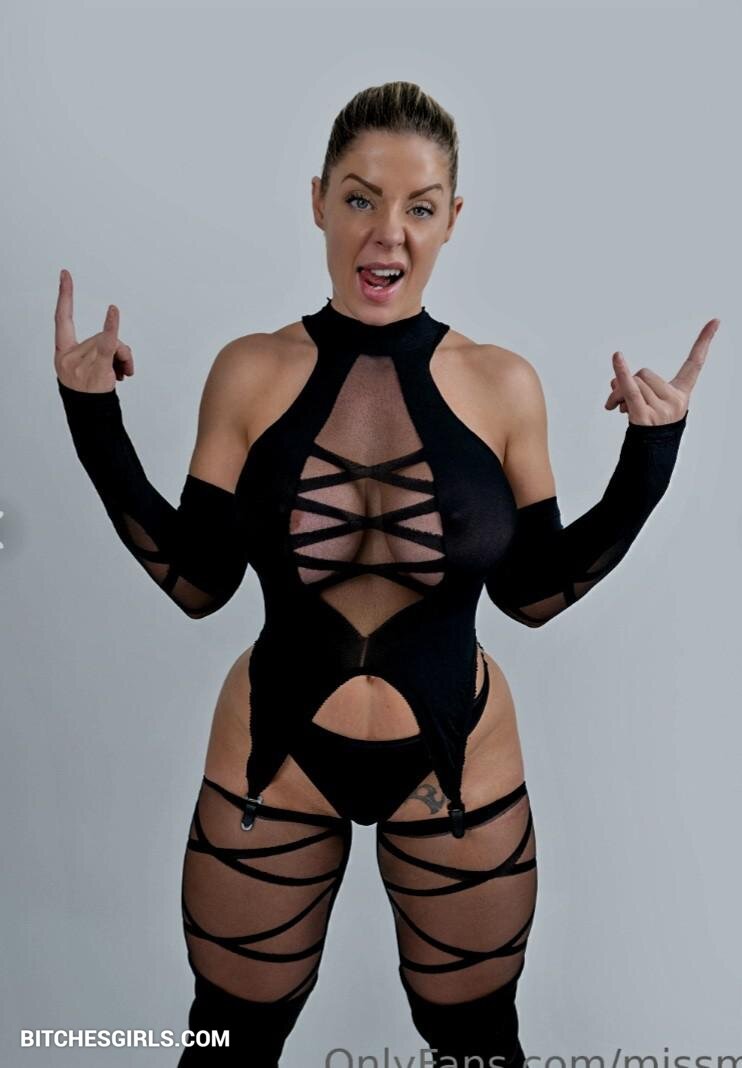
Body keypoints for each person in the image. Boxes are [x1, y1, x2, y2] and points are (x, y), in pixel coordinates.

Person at [54, 81, 717, 1068]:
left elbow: (532, 595)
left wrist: (649, 460)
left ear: (453, 218)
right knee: (227, 1045)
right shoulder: (249, 370)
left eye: (419, 206)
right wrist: (93, 420)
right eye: (361, 198)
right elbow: (198, 581)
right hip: (270, 758)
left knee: (477, 1047)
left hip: (459, 758)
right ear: (318, 201)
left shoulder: (503, 383)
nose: (388, 233)